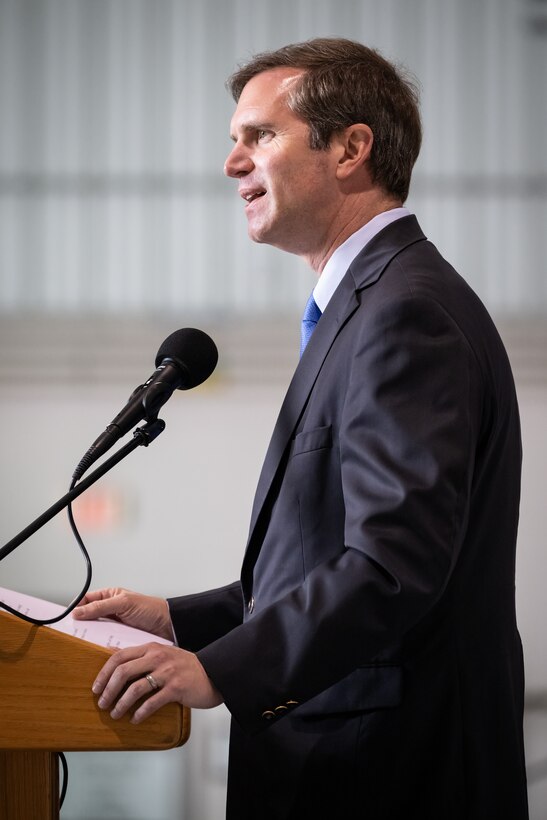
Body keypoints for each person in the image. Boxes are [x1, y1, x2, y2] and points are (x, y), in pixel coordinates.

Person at [73, 38, 529, 819]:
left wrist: (222, 668)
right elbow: (331, 554)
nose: (232, 163)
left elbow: (393, 565)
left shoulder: (404, 313)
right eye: (233, 141)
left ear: (351, 148)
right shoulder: (368, 306)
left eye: (260, 135)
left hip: (383, 774)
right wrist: (182, 620)